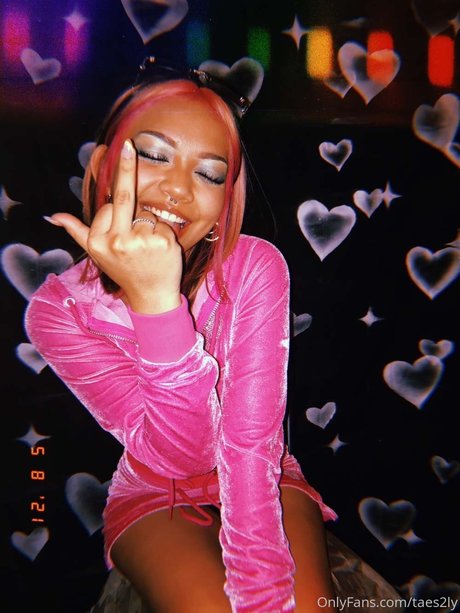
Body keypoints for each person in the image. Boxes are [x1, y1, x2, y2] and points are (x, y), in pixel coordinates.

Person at [25, 58, 338, 612]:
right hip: (154, 490)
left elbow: (249, 446)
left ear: (225, 202)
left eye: (209, 174)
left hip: (264, 473)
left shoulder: (255, 267)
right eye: (153, 155)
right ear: (103, 167)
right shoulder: (59, 310)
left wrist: (264, 598)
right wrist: (157, 306)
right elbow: (185, 457)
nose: (177, 189)